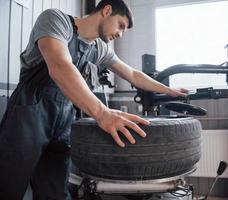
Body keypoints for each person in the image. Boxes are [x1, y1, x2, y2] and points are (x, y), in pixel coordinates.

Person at [0, 0, 188, 199]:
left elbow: (132, 74)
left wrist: (167, 89)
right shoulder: (56, 20)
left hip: (64, 120)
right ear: (106, 11)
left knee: (55, 189)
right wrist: (102, 113)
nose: (120, 34)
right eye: (121, 25)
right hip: (29, 113)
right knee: (9, 183)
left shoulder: (99, 48)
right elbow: (59, 66)